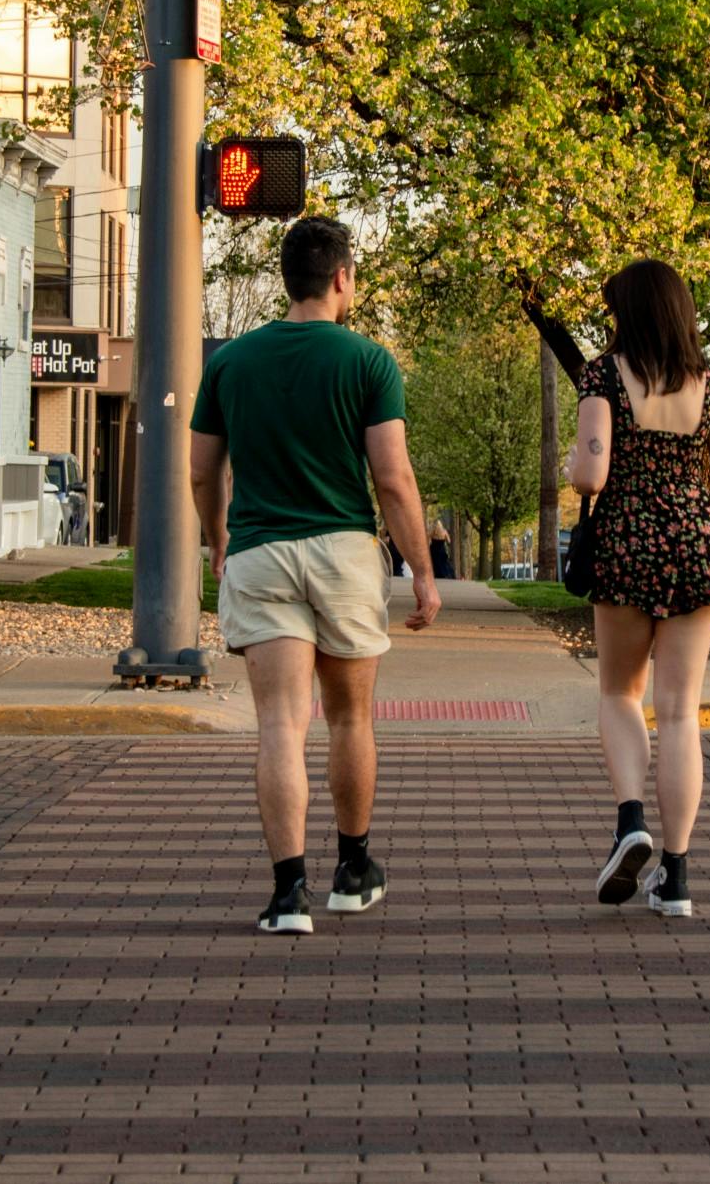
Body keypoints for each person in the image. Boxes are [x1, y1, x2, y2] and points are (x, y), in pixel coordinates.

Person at [190, 216, 442, 936]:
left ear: (288, 280)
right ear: (342, 279)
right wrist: (423, 570)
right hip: (342, 554)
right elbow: (391, 479)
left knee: (279, 724)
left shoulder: (231, 363)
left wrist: (218, 539)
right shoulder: (369, 361)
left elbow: (201, 471)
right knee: (351, 717)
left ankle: (287, 894)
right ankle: (354, 871)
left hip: (261, 552)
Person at [566, 259, 710, 918]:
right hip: (697, 543)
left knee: (619, 692)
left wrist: (579, 463)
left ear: (628, 312)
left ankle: (631, 821)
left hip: (627, 540)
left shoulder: (602, 373)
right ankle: (676, 879)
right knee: (681, 711)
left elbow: (590, 474)